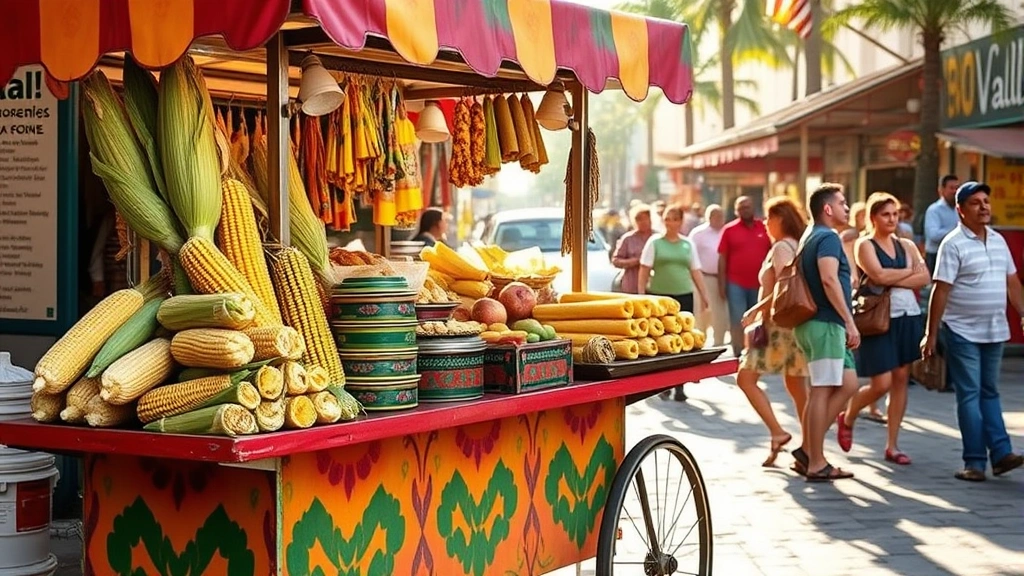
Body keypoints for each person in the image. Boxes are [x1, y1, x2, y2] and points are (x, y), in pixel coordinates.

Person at [921, 181, 1024, 482]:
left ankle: (1002, 455)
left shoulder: (998, 240)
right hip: (961, 330)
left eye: (986, 201)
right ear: (960, 210)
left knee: (989, 391)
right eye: (975, 203)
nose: (984, 207)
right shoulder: (952, 244)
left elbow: (1013, 283)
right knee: (970, 394)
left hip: (994, 329)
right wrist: (931, 334)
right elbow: (940, 291)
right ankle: (975, 462)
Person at [835, 192, 930, 466]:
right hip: (877, 319)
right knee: (881, 384)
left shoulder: (907, 245)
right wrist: (908, 274)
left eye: (895, 214)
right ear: (873, 217)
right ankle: (849, 415)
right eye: (886, 214)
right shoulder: (865, 244)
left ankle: (892, 445)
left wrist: (899, 276)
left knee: (901, 379)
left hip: (907, 316)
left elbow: (924, 277)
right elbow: (877, 275)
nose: (892, 219)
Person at [791, 183, 860, 482]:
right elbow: (830, 280)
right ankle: (816, 462)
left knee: (848, 383)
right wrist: (849, 320)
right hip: (826, 323)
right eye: (843, 203)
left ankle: (808, 449)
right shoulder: (828, 237)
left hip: (814, 323)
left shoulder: (810, 235)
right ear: (828, 209)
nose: (847, 207)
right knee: (822, 389)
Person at [736, 196, 810, 467]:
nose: (765, 223)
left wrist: (755, 310)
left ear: (781, 220)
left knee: (745, 379)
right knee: (797, 387)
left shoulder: (781, 247)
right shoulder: (795, 245)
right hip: (790, 325)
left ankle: (779, 433)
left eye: (769, 218)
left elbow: (783, 287)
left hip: (777, 326)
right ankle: (808, 447)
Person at [639, 203, 711, 402]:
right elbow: (644, 269)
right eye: (667, 218)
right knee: (663, 341)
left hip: (683, 297)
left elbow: (695, 271)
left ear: (681, 221)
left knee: (682, 342)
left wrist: (705, 296)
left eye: (674, 218)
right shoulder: (655, 242)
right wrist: (641, 294)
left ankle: (680, 385)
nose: (670, 222)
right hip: (660, 298)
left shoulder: (688, 244)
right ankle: (663, 385)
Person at [718, 196, 771, 356]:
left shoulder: (765, 227)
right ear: (736, 211)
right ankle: (739, 351)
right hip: (735, 282)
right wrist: (722, 284)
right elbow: (722, 258)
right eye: (741, 208)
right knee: (738, 317)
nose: (744, 210)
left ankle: (755, 350)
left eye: (747, 207)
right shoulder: (729, 230)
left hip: (760, 283)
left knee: (758, 318)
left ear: (753, 208)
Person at [689, 205, 729, 346]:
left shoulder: (727, 231)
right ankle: (700, 342)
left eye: (721, 216)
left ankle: (719, 342)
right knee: (702, 311)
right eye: (716, 216)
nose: (719, 219)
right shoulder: (698, 234)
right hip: (704, 277)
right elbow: (691, 257)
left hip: (723, 279)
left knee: (721, 312)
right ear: (709, 217)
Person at [611, 204, 654, 294]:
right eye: (638, 219)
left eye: (645, 218)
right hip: (632, 284)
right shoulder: (628, 239)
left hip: (654, 284)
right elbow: (616, 260)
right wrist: (634, 261)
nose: (642, 222)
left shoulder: (657, 237)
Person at [923, 174, 960, 275]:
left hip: (956, 254)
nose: (955, 191)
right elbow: (933, 235)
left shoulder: (960, 210)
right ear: (942, 190)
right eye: (951, 188)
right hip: (936, 255)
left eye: (957, 188)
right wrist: (957, 231)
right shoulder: (934, 210)